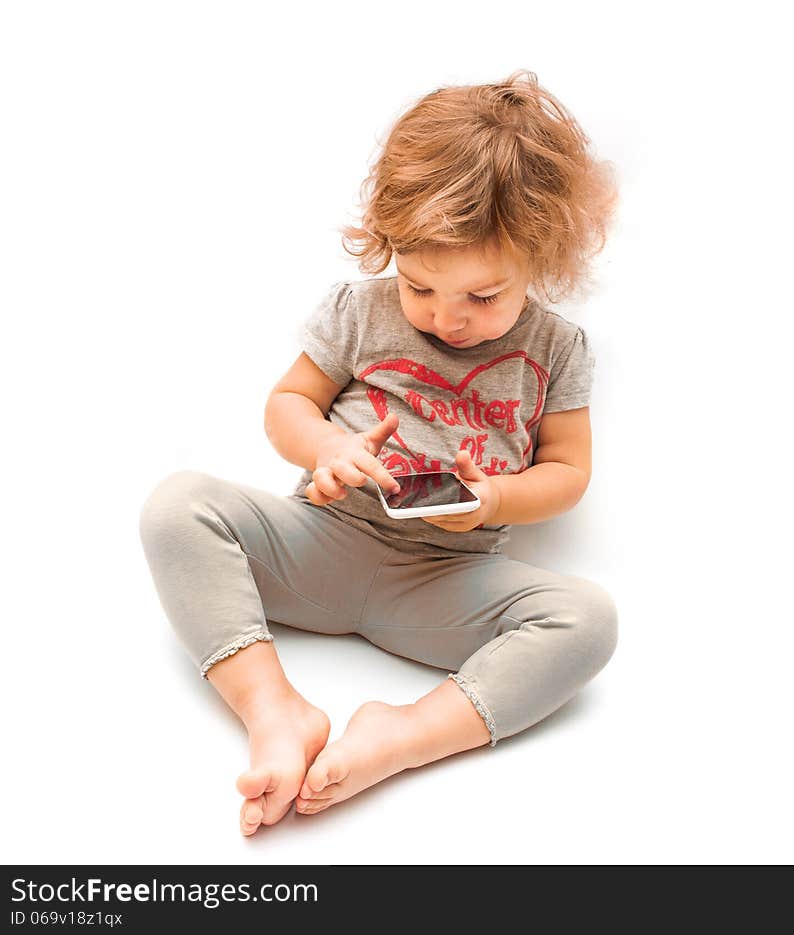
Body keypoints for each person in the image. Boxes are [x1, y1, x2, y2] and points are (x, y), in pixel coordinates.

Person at [139, 69, 620, 836]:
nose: (446, 318)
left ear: (544, 258)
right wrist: (327, 446)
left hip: (444, 579)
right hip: (320, 543)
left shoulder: (558, 348)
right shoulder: (358, 312)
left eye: (483, 296)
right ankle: (274, 709)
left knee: (589, 620)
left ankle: (404, 735)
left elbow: (568, 472)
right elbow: (286, 405)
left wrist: (494, 500)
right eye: (421, 285)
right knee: (176, 505)